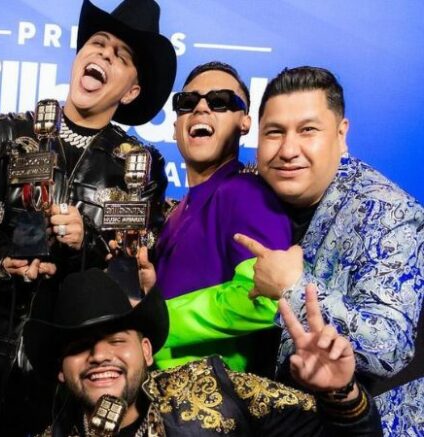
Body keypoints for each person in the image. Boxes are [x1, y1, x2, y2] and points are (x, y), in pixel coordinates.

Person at [0, 0, 175, 434]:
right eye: (97, 43)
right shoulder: (5, 132)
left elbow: (130, 271)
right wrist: (0, 262)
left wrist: (85, 242)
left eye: (120, 55)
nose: (104, 53)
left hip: (70, 370)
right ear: (78, 58)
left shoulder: (139, 165)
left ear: (131, 91)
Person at [234, 66, 424, 435]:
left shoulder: (390, 212)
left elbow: (390, 346)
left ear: (341, 134)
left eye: (308, 130)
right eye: (274, 132)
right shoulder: (249, 193)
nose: (288, 150)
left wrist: (291, 288)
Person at [24, 267, 382, 436]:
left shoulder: (214, 389)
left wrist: (340, 393)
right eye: (80, 347)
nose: (100, 355)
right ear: (61, 370)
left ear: (146, 351)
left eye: (117, 340)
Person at [153, 61, 291, 372]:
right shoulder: (177, 210)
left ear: (245, 123)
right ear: (175, 125)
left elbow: (266, 301)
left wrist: (156, 321)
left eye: (220, 101)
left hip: (214, 395)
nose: (201, 108)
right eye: (187, 102)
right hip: (158, 391)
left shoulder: (246, 193)